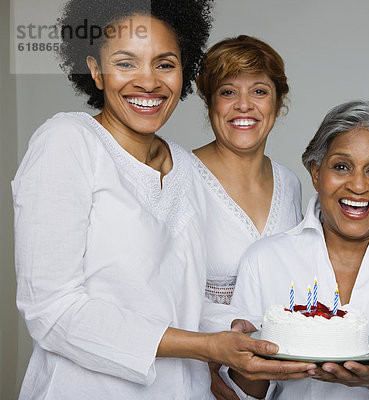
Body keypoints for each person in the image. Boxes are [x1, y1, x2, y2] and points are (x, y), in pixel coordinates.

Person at [12, 2, 313, 399]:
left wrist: (242, 330)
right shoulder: (68, 142)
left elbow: (180, 302)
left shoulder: (184, 165)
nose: (148, 81)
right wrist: (205, 346)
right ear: (96, 71)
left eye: (165, 64)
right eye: (126, 63)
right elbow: (52, 313)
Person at [224, 100, 369, 399]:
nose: (358, 185)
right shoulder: (265, 259)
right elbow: (243, 393)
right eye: (341, 167)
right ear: (315, 172)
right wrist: (248, 362)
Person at [191, 35, 303, 399]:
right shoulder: (179, 175)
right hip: (197, 374)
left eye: (258, 91)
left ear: (278, 102)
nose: (244, 106)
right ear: (209, 102)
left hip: (273, 379)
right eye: (227, 92)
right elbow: (154, 291)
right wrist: (209, 361)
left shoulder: (290, 183)